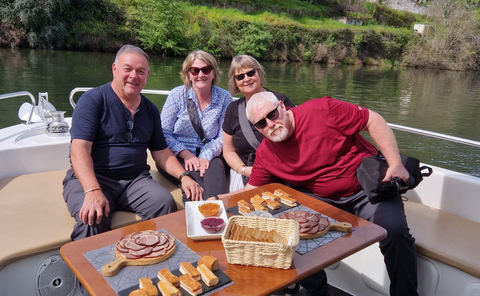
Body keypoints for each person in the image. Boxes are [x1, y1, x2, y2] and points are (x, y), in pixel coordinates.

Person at [244, 91, 419, 296]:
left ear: (282, 106)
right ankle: (318, 291)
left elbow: (373, 119)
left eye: (272, 115)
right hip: (322, 201)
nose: (270, 124)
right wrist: (215, 205)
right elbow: (251, 192)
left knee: (395, 231)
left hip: (366, 190)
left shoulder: (322, 110)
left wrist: (395, 164)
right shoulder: (266, 153)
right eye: (261, 124)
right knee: (287, 235)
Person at [62, 45, 202, 241]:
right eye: (127, 69)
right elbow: (79, 150)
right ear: (114, 69)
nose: (133, 76)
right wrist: (92, 190)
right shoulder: (93, 100)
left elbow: (161, 152)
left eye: (140, 71)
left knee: (164, 204)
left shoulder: (150, 109)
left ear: (147, 75)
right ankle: (86, 271)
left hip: (135, 181)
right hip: (94, 178)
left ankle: (154, 260)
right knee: (92, 218)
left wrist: (184, 176)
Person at [160, 50, 232, 200]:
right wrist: (185, 154)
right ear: (188, 74)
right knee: (195, 185)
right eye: (195, 70)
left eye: (205, 70)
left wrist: (206, 156)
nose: (200, 75)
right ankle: (197, 218)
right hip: (178, 154)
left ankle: (216, 212)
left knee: (216, 175)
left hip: (211, 154)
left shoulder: (224, 98)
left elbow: (222, 136)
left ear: (213, 73)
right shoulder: (177, 95)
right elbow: (163, 132)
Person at [222, 55, 295, 192]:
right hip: (247, 172)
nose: (247, 79)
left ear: (259, 73)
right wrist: (243, 170)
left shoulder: (280, 101)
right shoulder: (232, 110)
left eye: (251, 73)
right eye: (240, 77)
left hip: (282, 170)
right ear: (235, 82)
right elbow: (228, 150)